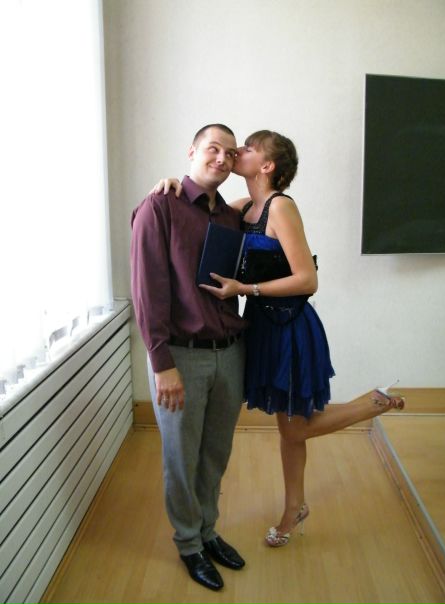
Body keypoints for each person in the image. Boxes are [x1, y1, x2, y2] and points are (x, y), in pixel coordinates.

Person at [151, 129, 405, 549]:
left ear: (266, 165)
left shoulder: (281, 207)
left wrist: (245, 290)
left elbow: (308, 279)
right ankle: (295, 507)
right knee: (291, 429)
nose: (237, 152)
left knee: (294, 429)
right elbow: (202, 207)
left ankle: (370, 405)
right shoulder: (242, 208)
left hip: (289, 329)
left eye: (248, 149)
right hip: (262, 328)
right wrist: (171, 185)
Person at [130, 124, 248, 592]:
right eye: (212, 148)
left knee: (215, 453)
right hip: (180, 356)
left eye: (230, 153)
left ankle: (208, 531)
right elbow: (147, 290)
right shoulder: (160, 206)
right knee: (182, 458)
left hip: (230, 354)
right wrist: (162, 364)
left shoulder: (232, 218)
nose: (221, 158)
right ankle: (188, 543)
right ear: (192, 151)